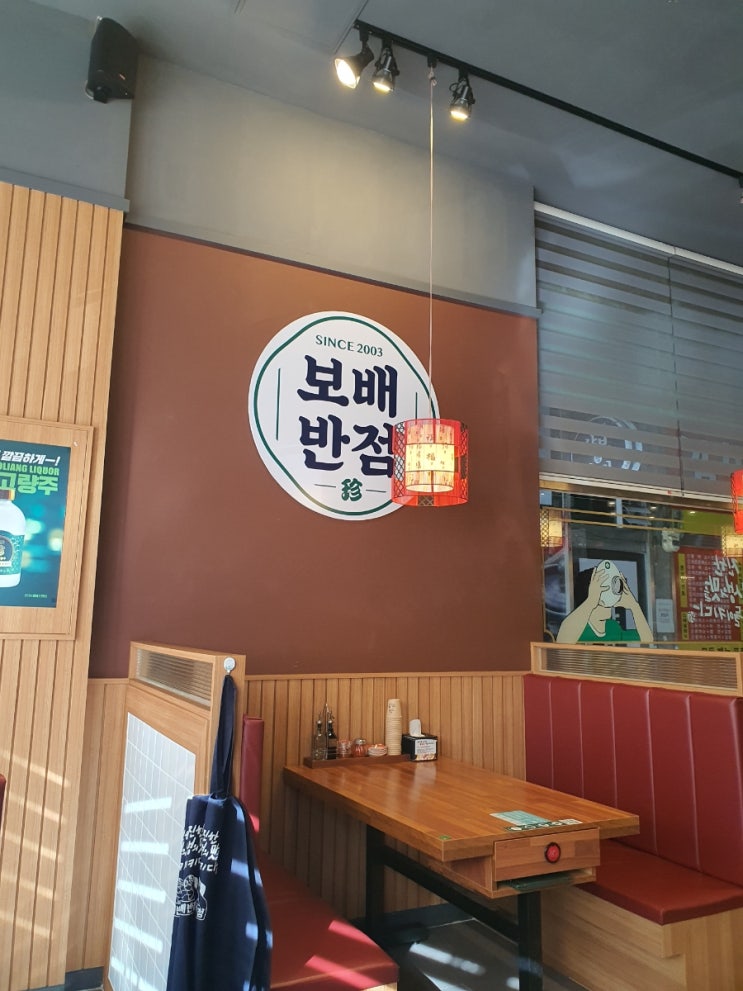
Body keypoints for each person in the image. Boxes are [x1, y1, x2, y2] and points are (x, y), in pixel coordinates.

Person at [556, 560, 653, 643]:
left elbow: (647, 640)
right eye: (603, 587)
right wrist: (591, 601)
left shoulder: (612, 627)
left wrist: (634, 606)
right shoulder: (578, 627)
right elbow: (562, 641)